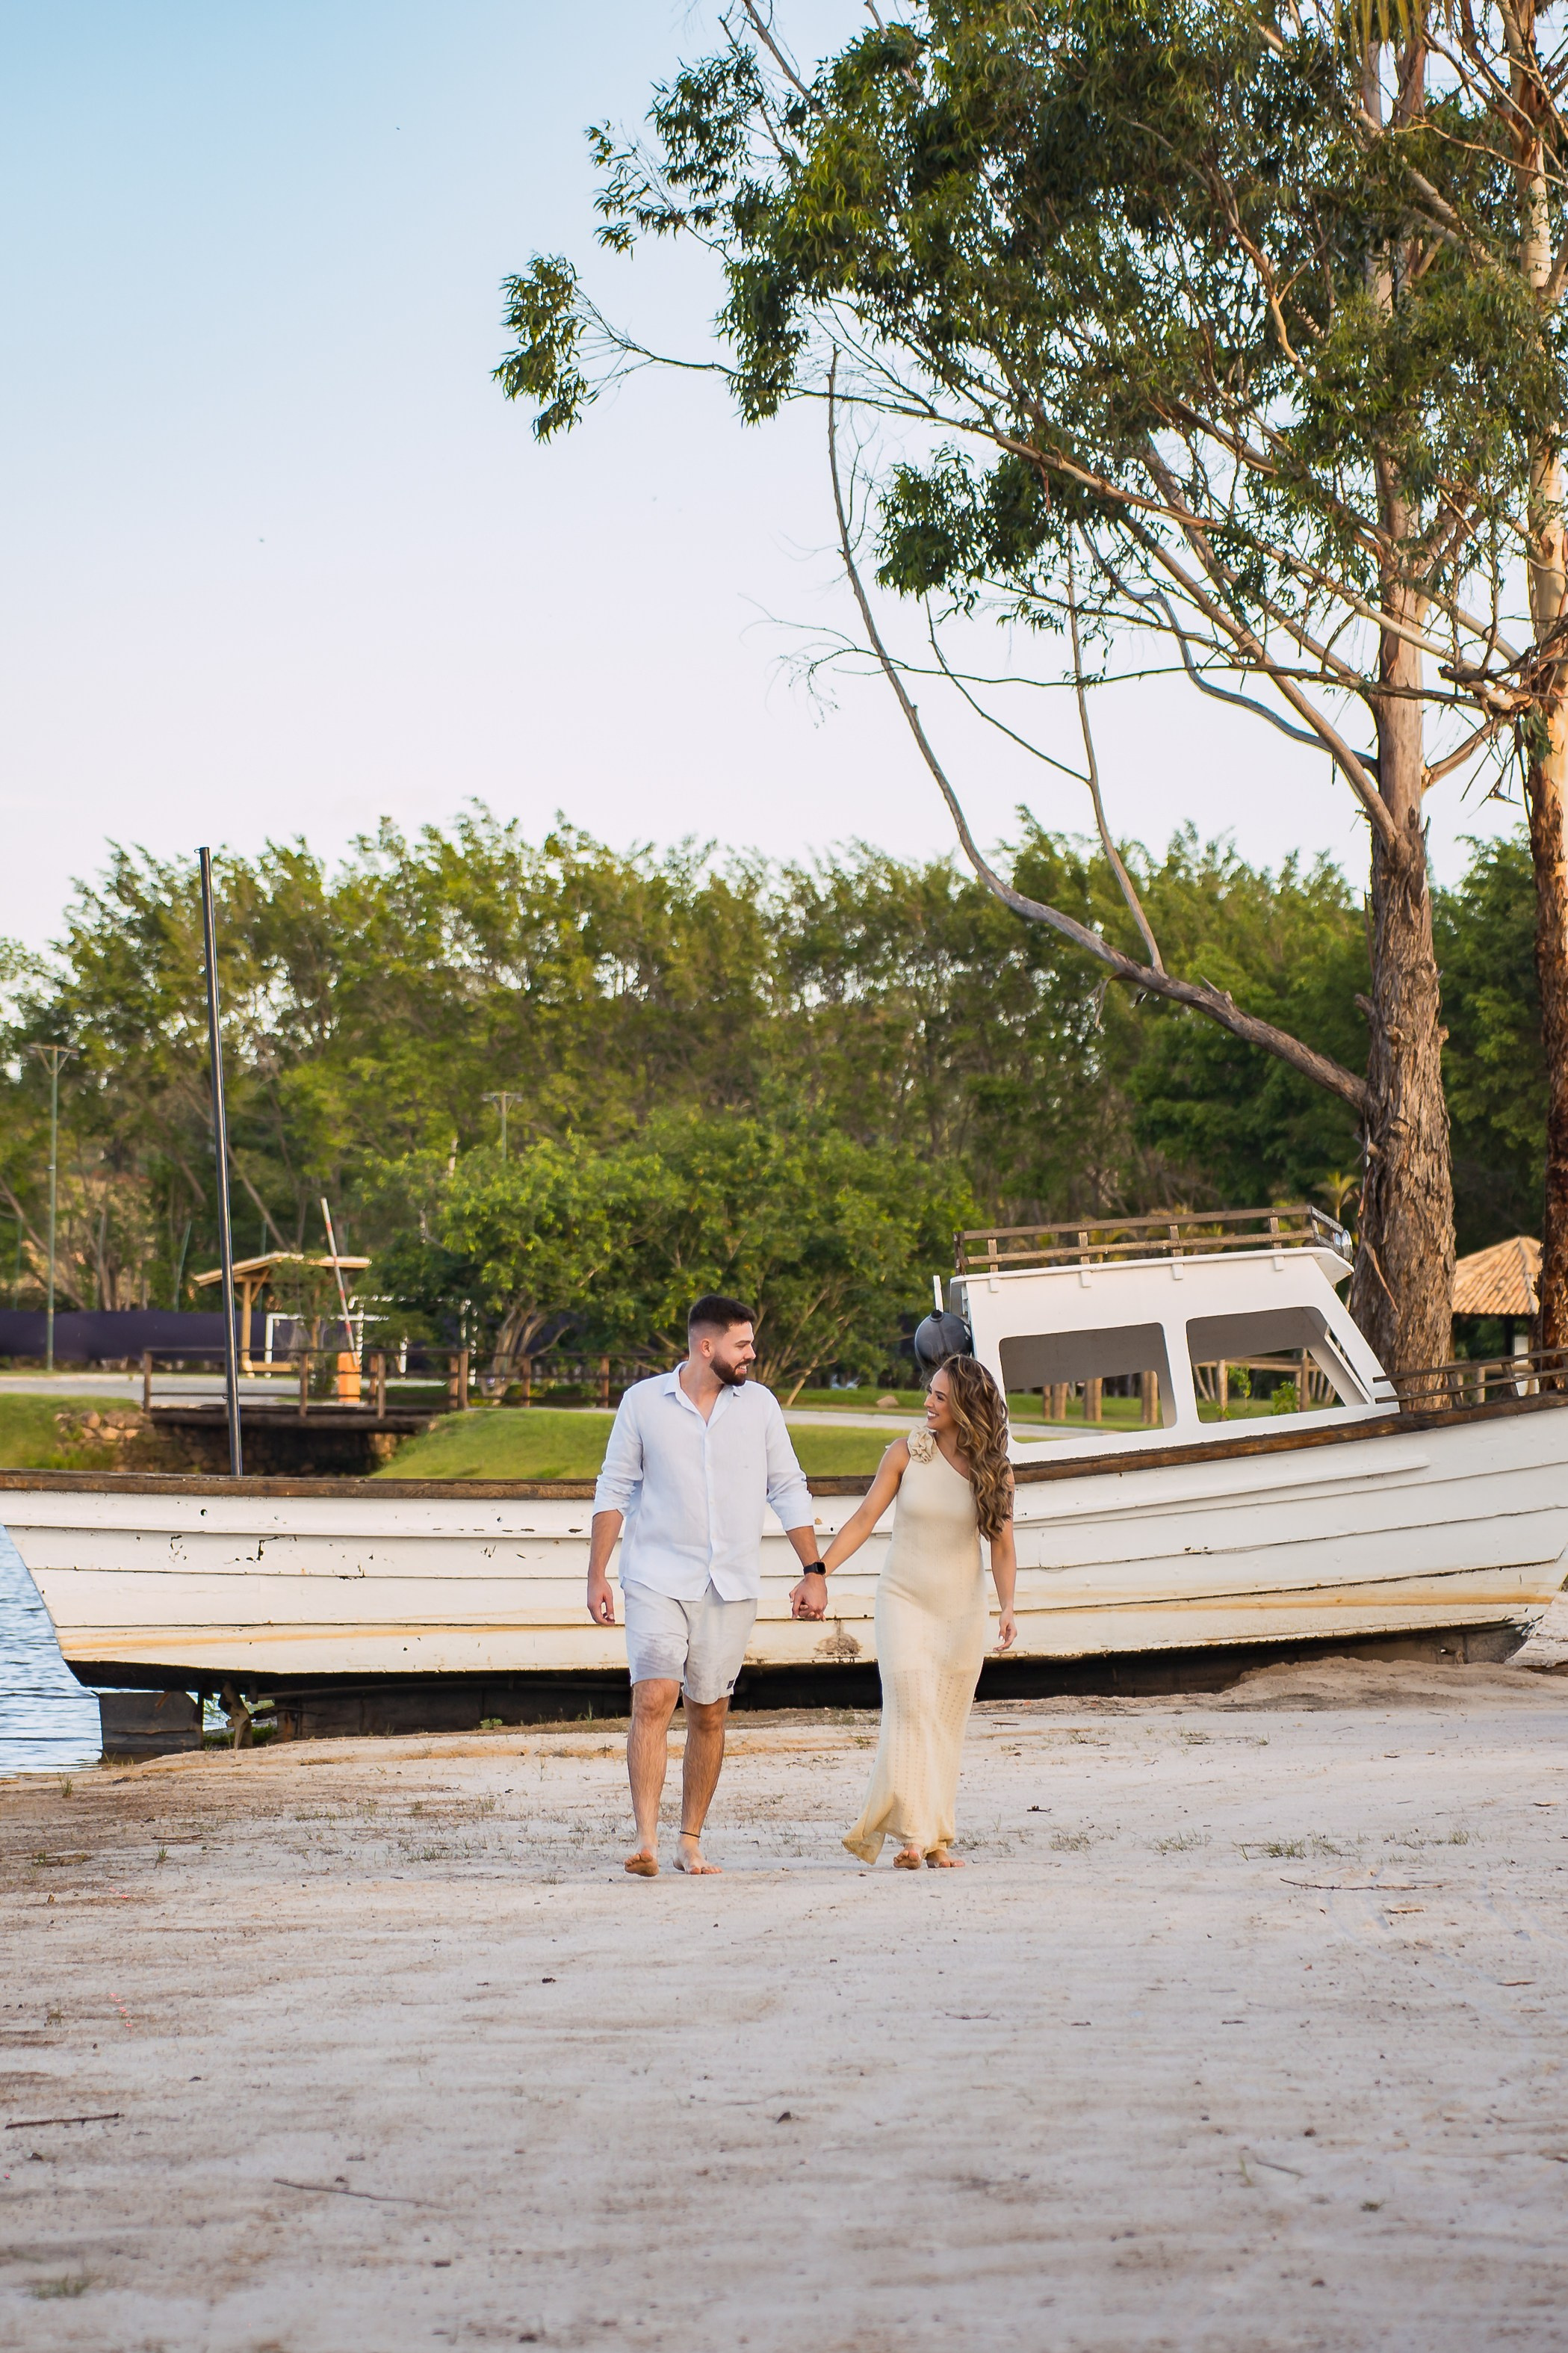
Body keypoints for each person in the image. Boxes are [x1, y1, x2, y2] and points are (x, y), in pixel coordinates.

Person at [587, 1294, 826, 1878]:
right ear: (706, 1345)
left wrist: (813, 1570)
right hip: (655, 1576)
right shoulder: (642, 1402)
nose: (752, 1353)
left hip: (731, 1581)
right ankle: (644, 1838)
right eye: (742, 1344)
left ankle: (688, 1838)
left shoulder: (760, 1406)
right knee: (653, 1696)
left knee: (710, 1711)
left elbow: (787, 1486)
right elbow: (613, 1488)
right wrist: (596, 1572)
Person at [792, 1354, 1017, 1868]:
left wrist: (1007, 1607)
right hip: (903, 1600)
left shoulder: (995, 1469)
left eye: (939, 1395)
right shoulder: (905, 1452)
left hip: (961, 1609)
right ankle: (912, 1837)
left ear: (965, 1404)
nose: (927, 1402)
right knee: (912, 1704)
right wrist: (819, 1569)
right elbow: (865, 1516)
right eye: (930, 1392)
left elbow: (1003, 1546)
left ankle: (934, 1837)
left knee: (943, 1719)